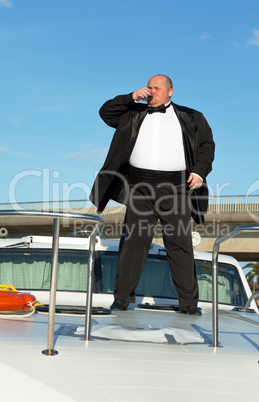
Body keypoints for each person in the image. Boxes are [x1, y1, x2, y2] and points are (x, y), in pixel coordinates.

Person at [90, 75, 215, 315]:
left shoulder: (193, 117)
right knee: (133, 243)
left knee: (180, 244)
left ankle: (189, 303)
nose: (151, 91)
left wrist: (200, 171)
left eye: (156, 88)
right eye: (149, 87)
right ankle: (122, 299)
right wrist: (130, 97)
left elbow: (207, 146)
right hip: (139, 188)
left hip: (177, 189)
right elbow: (105, 113)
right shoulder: (131, 112)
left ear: (170, 92)